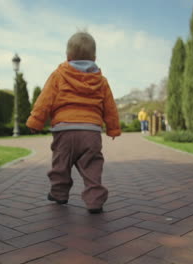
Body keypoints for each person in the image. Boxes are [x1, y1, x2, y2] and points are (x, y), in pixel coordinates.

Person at [26, 31, 121, 214]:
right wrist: (113, 128)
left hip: (64, 130)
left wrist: (35, 122)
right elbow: (110, 107)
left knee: (61, 164)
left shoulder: (58, 75)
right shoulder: (101, 81)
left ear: (68, 56)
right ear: (94, 57)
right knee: (92, 166)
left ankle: (59, 194)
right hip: (91, 132)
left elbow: (45, 99)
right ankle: (94, 201)